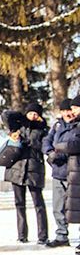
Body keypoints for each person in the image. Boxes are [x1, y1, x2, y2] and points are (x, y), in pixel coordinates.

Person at [1, 103, 49, 245]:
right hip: (17, 168)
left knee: (38, 203)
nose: (33, 116)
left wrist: (31, 141)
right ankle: (22, 235)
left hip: (34, 169)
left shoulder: (44, 129)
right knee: (19, 203)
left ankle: (43, 235)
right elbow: (5, 115)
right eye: (30, 113)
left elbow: (45, 146)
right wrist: (21, 117)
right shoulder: (18, 125)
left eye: (36, 114)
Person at [42, 99, 75, 247]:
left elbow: (73, 146)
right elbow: (47, 141)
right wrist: (49, 153)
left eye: (68, 110)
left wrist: (59, 153)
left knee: (76, 206)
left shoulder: (77, 125)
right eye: (63, 111)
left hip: (74, 172)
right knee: (58, 206)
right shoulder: (57, 126)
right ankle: (61, 235)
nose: (66, 113)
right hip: (58, 171)